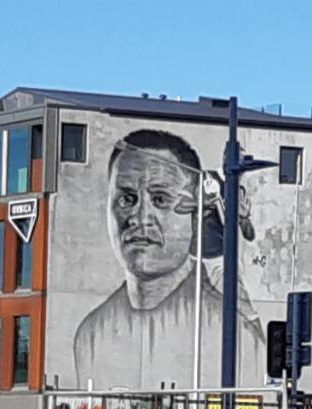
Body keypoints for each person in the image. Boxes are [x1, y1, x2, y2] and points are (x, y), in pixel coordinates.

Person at [73, 129, 263, 389]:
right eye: (127, 199)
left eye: (160, 199)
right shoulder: (91, 334)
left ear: (193, 217)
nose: (140, 217)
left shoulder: (234, 333)